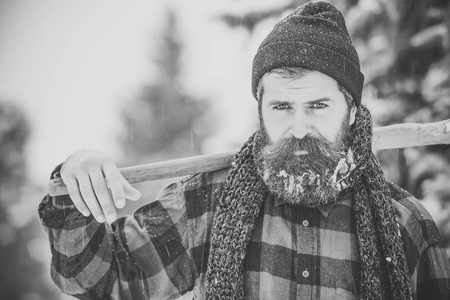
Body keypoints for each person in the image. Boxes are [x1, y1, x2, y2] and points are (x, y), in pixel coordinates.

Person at [38, 2, 450, 299]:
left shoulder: (404, 224)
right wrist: (76, 179)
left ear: (352, 110)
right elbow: (100, 278)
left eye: (319, 106)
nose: (299, 127)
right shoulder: (208, 204)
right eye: (282, 107)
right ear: (261, 111)